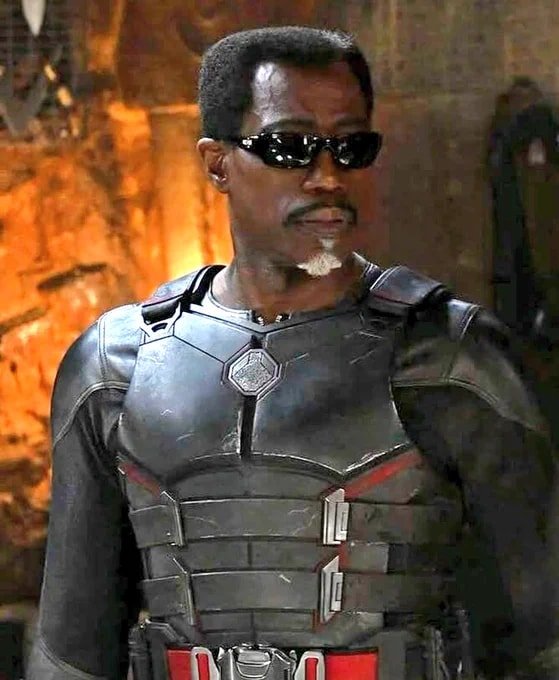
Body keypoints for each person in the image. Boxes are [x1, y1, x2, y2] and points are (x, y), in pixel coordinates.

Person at [27, 26, 559, 680]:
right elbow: (70, 652)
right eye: (289, 147)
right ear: (216, 164)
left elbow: (542, 641)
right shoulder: (115, 368)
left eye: (351, 146)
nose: (328, 176)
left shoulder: (451, 360)